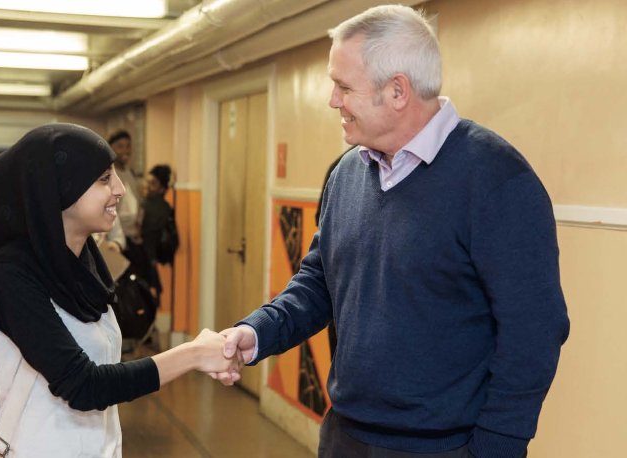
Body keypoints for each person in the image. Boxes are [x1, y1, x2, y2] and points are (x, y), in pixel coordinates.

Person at [215, 5, 570, 458]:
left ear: (398, 91)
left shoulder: (495, 179)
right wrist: (258, 332)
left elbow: (534, 331)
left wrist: (497, 446)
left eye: (344, 87)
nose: (332, 100)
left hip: (445, 447)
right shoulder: (346, 173)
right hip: (345, 436)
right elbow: (319, 283)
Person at [0, 123, 241, 457]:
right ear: (59, 189)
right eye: (104, 179)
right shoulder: (10, 276)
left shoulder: (85, 261)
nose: (120, 189)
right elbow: (83, 385)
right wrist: (193, 354)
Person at [140, 164, 175, 295]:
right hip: (150, 256)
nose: (147, 186)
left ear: (162, 188)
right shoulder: (163, 206)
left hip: (146, 256)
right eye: (147, 182)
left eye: (153, 183)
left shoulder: (153, 207)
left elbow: (147, 234)